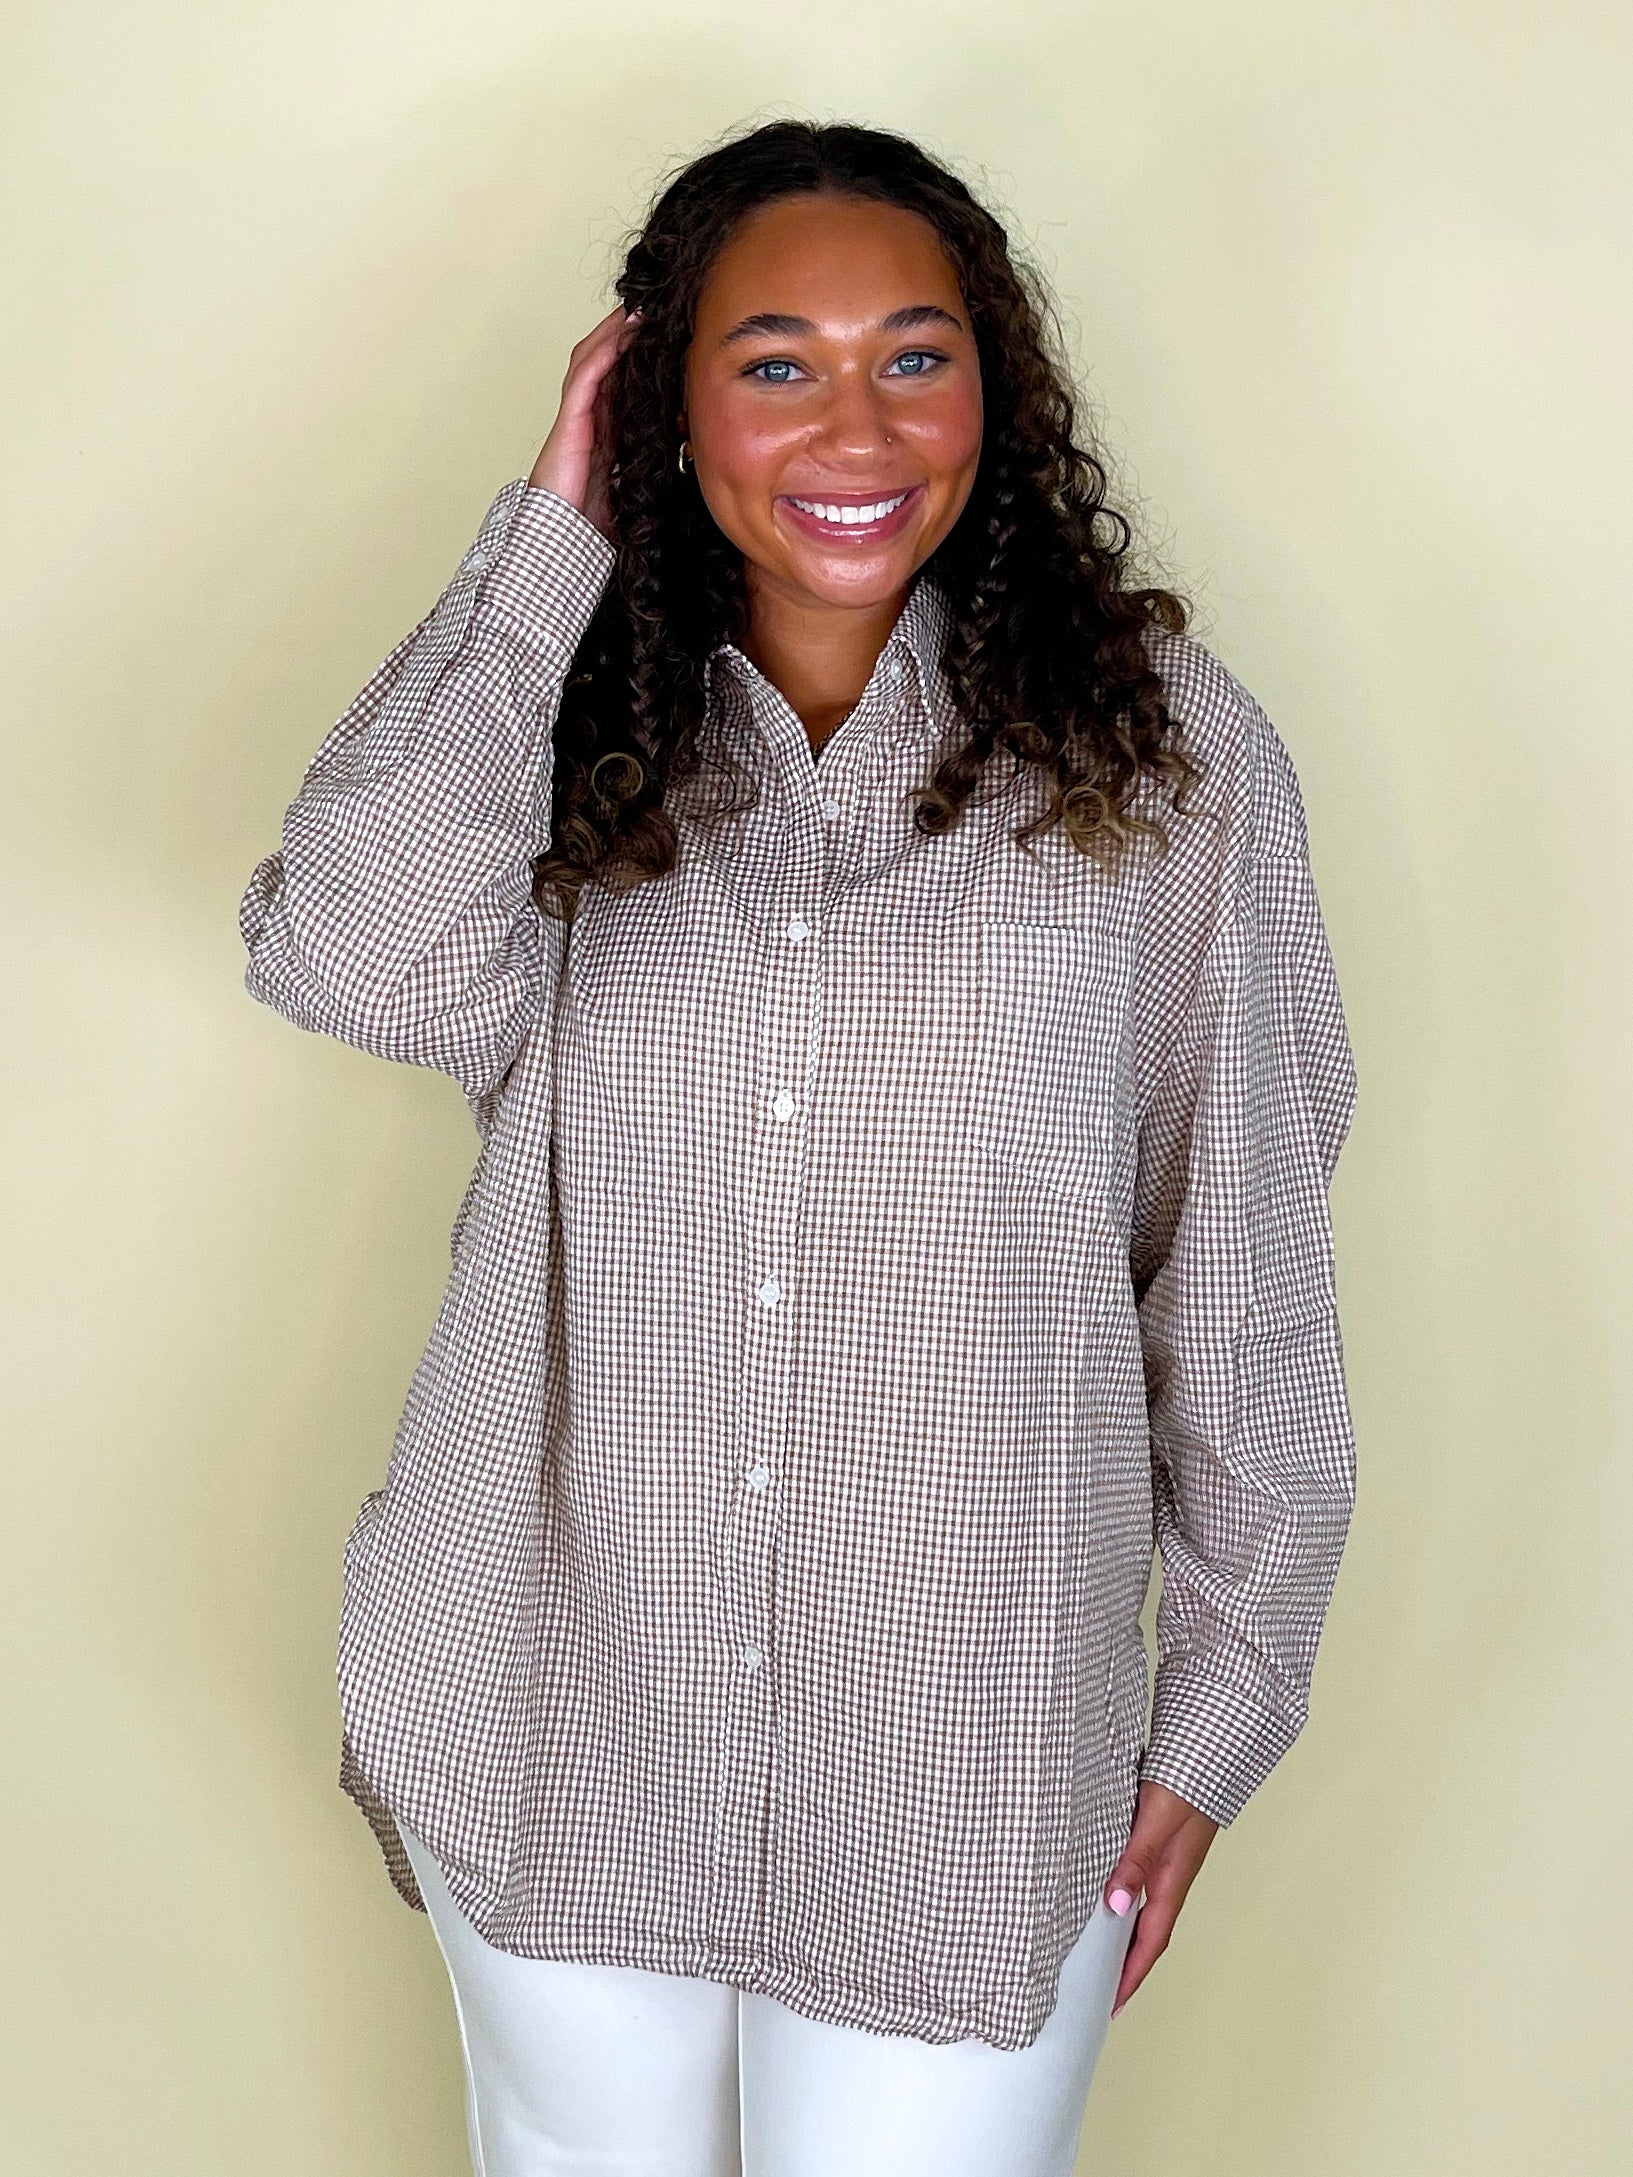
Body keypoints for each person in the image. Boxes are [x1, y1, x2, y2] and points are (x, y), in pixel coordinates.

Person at [239, 118, 1358, 2177]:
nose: (857, 425)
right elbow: (349, 956)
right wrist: (551, 533)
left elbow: (1246, 1266)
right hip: (555, 1714)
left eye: (914, 355)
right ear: (664, 405)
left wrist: (1221, 1707)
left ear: (995, 390)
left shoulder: (1169, 757)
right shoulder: (552, 732)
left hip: (964, 1755)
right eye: (773, 363)